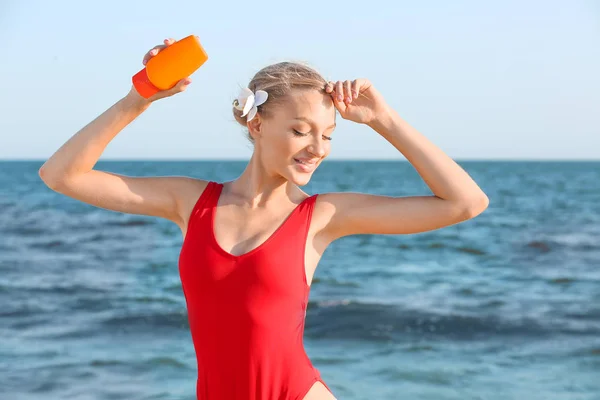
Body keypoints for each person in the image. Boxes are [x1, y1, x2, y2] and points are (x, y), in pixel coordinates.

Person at [39, 38, 489, 400]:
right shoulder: (191, 202)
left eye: (328, 135)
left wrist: (384, 119)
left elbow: (466, 203)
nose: (318, 148)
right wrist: (139, 97)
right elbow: (61, 175)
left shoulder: (322, 216)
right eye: (300, 130)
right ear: (256, 125)